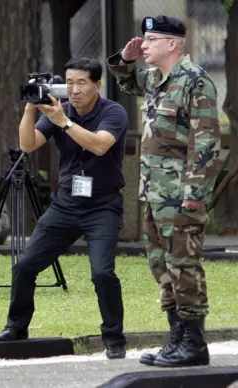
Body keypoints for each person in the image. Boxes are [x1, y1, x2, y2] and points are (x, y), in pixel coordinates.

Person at [0, 57, 128, 360]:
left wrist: (63, 123)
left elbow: (99, 145)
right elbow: (28, 145)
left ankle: (114, 338)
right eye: (69, 83)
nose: (75, 89)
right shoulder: (59, 110)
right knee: (25, 265)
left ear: (97, 84)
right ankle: (17, 327)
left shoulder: (113, 112)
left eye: (81, 82)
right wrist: (31, 108)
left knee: (101, 272)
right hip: (67, 201)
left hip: (103, 204)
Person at [107, 15, 221, 367]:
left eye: (152, 39)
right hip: (154, 193)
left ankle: (194, 343)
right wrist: (126, 60)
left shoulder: (194, 81)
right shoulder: (156, 79)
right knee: (162, 266)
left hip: (181, 195)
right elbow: (127, 82)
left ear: (173, 44)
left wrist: (194, 194)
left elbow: (205, 143)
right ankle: (176, 339)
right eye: (144, 38)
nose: (145, 44)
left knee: (184, 265)